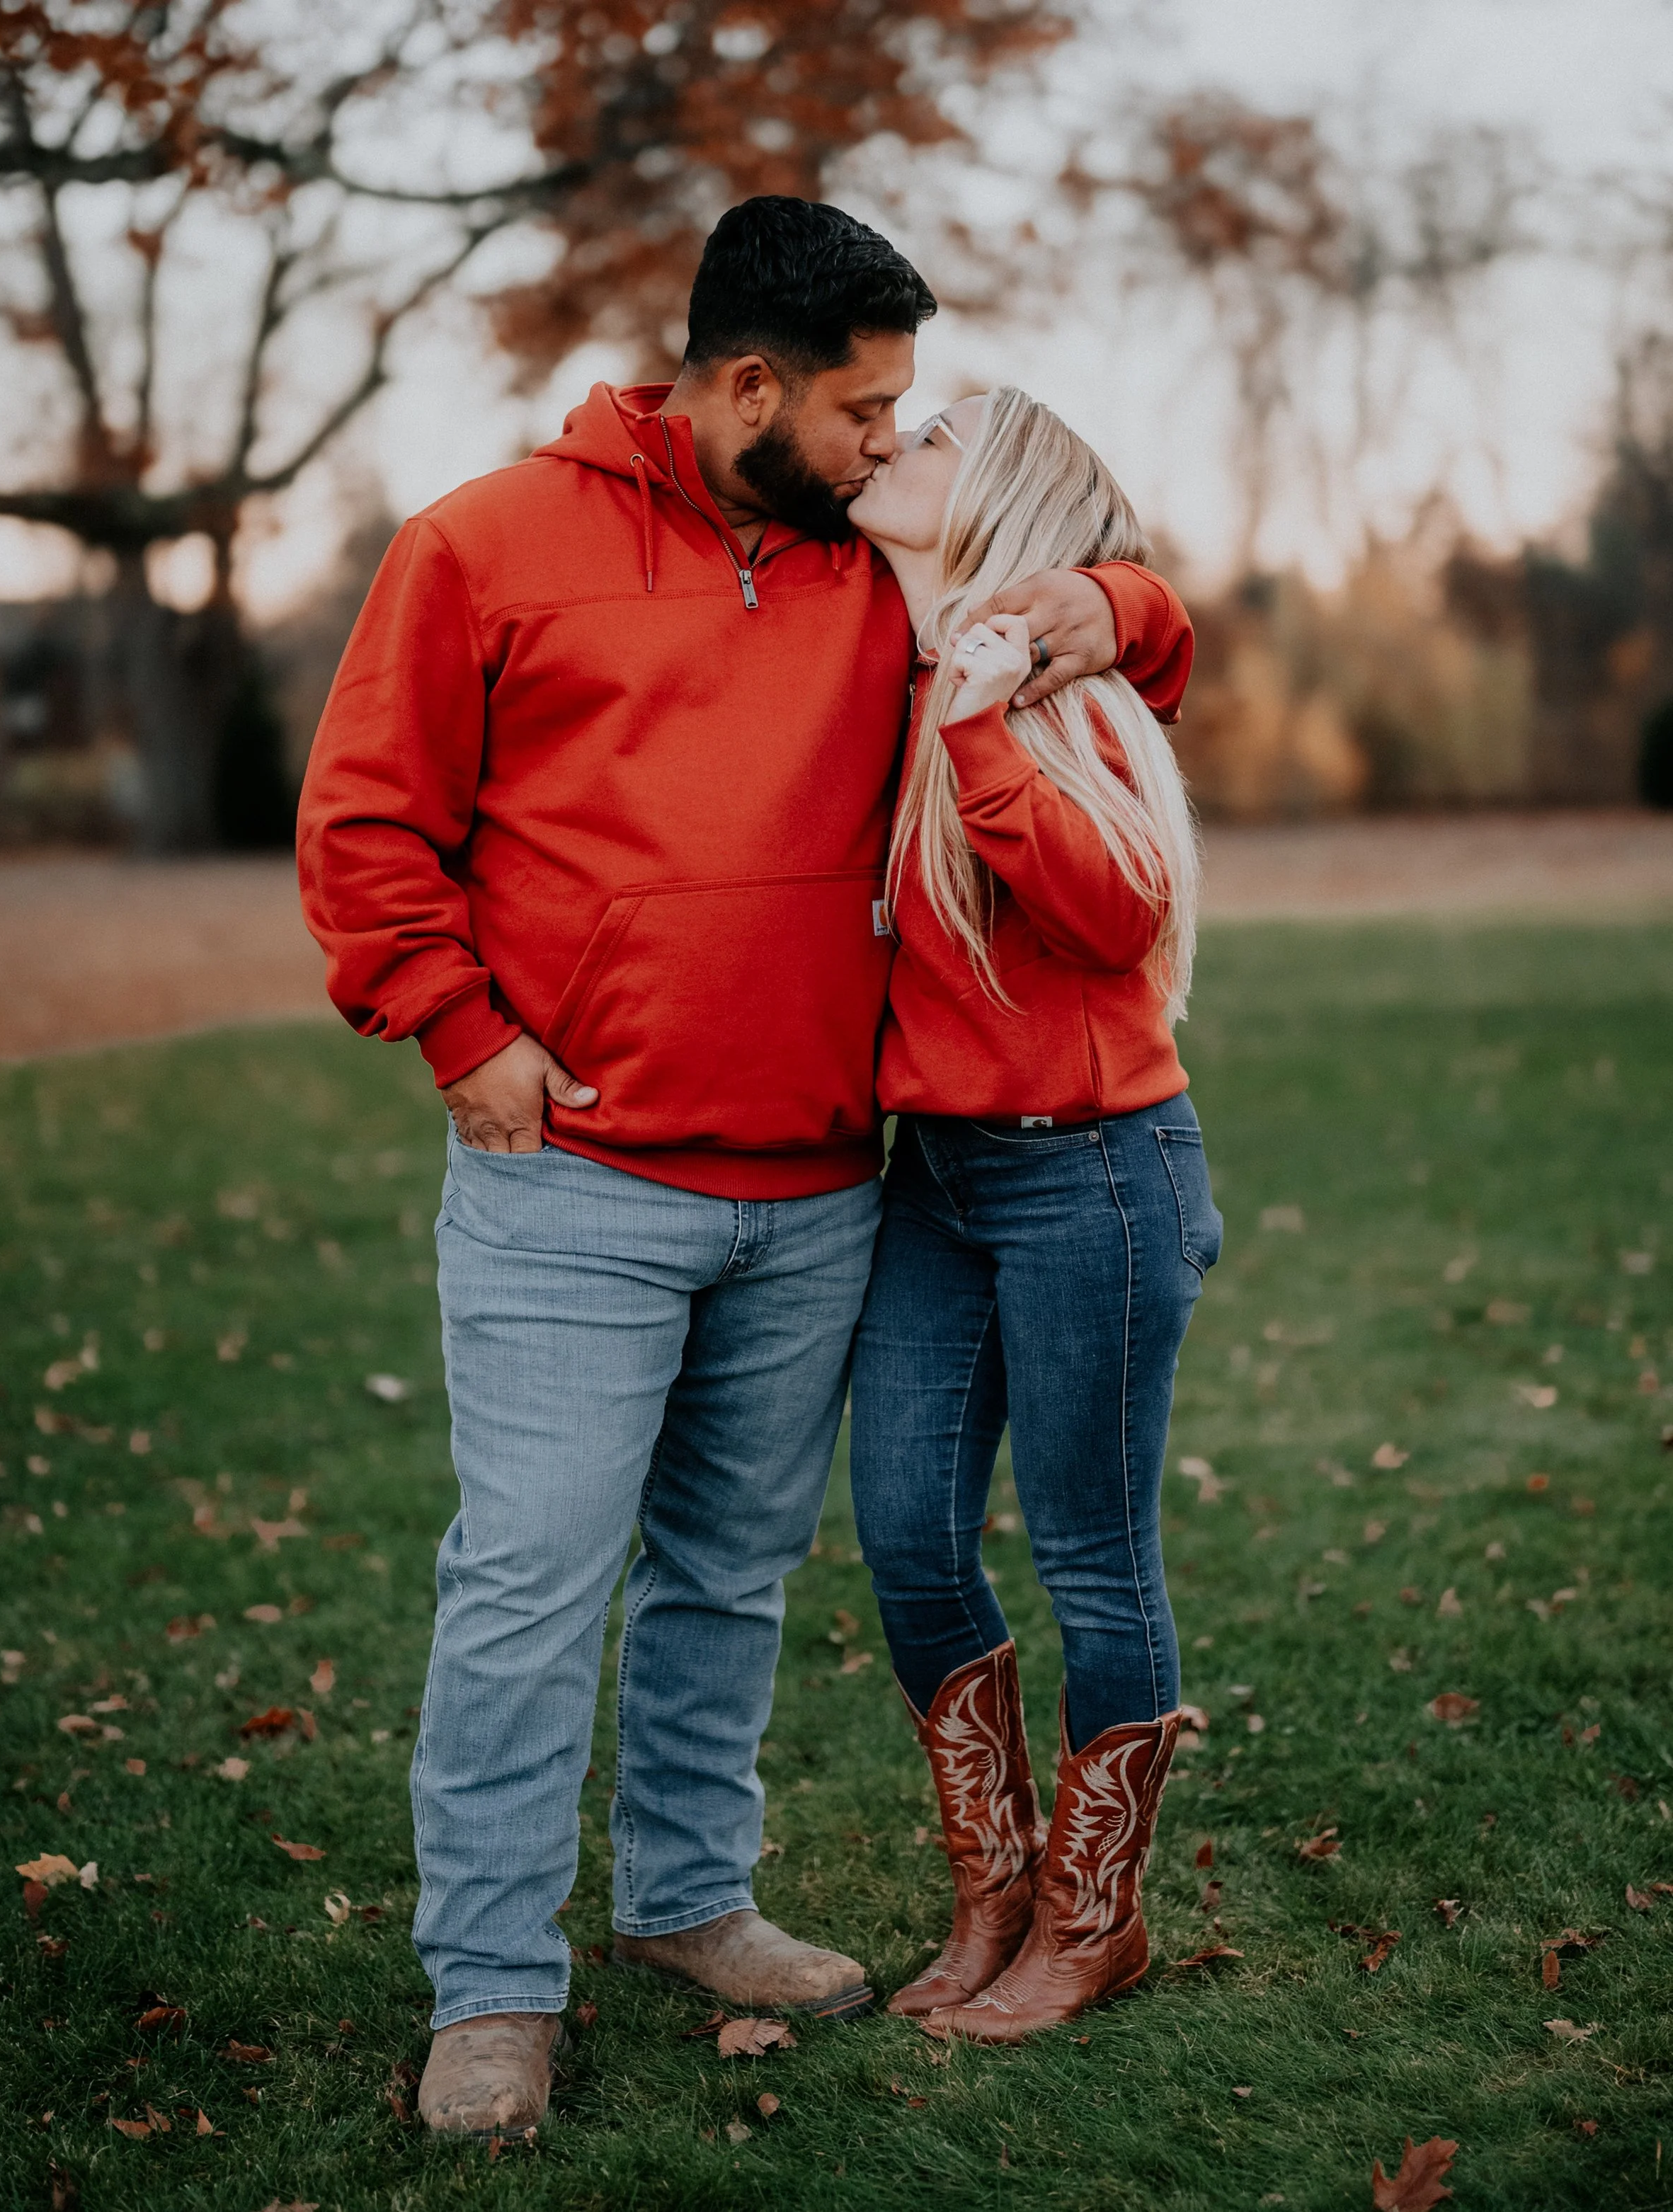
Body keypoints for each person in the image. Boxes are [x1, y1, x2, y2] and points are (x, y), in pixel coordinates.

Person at [297, 197, 1185, 2138]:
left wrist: (1093, 610)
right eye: (864, 407)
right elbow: (364, 825)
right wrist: (465, 1037)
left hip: (816, 1190)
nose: (888, 441)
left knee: (727, 1575)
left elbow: (1133, 601)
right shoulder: (484, 544)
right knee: (530, 1580)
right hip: (573, 1182)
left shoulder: (882, 572)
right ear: (750, 385)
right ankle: (492, 1987)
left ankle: (691, 1898)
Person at [844, 386, 1219, 2044]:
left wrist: (986, 723)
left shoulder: (1053, 696)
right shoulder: (887, 638)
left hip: (1092, 1174)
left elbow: (1118, 902)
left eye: (923, 437)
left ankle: (1094, 1917)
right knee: (909, 1534)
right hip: (933, 1173)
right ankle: (990, 1882)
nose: (884, 448)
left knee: (1090, 1557)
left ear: (986, 493)